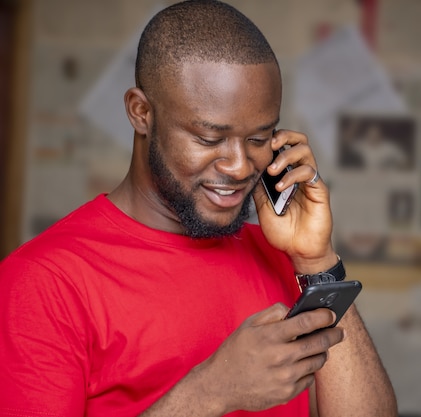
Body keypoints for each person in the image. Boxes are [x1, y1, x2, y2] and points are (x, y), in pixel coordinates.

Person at [0, 1, 397, 416]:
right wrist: (212, 391)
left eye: (259, 139)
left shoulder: (281, 257)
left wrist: (316, 260)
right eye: (209, 139)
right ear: (141, 113)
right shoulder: (42, 284)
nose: (240, 166)